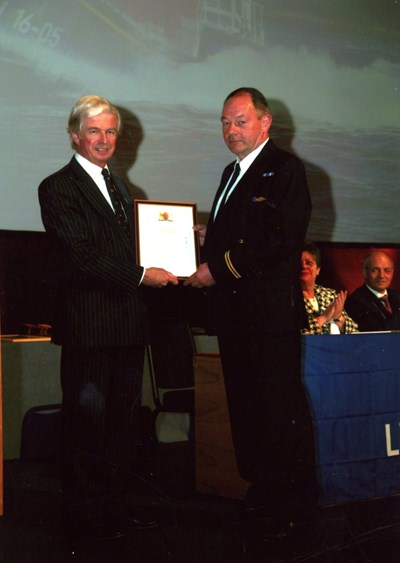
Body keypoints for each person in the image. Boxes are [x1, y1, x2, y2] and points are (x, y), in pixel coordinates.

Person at [38, 95, 178, 541]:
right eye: (94, 131)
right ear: (75, 135)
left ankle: (116, 510)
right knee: (86, 427)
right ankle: (83, 520)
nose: (104, 139)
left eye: (110, 131)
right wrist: (142, 274)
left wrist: (179, 244)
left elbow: (135, 248)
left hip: (127, 325)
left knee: (121, 426)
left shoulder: (121, 188)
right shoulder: (57, 186)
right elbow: (81, 256)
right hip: (89, 327)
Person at [185, 87, 317, 526]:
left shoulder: (285, 169)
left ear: (265, 122)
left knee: (278, 411)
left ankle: (291, 508)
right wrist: (209, 238)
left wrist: (216, 268)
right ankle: (263, 493)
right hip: (237, 317)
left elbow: (276, 240)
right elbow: (245, 234)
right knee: (247, 409)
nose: (231, 130)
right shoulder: (231, 172)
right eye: (225, 122)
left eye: (240, 121)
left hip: (268, 318)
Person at [300, 241, 358, 334]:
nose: (303, 266)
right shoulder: (288, 299)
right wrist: (323, 318)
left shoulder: (329, 295)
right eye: (299, 263)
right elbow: (295, 335)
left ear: (318, 269)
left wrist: (338, 317)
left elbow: (354, 332)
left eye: (309, 263)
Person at [346, 250, 400, 332]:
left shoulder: (397, 296)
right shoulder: (355, 301)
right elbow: (377, 332)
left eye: (387, 271)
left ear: (392, 273)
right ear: (365, 273)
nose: (381, 276)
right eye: (375, 270)